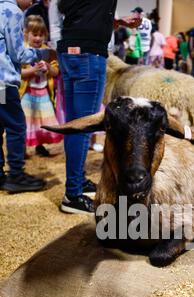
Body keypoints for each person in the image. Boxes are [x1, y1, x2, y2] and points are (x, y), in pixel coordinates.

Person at [56, 0, 141, 214]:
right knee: (82, 127)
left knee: (75, 124)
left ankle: (77, 180)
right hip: (88, 54)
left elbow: (76, 8)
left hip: (70, 49)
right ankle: (73, 195)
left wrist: (115, 20)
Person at [0, 0, 56, 194]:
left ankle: (0, 173)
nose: (33, 1)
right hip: (3, 82)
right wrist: (45, 53)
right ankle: (16, 175)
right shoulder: (12, 11)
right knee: (16, 126)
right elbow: (19, 54)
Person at [20, 15, 63, 157]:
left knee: (42, 121)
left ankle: (40, 145)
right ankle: (22, 149)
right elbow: (18, 72)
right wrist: (32, 71)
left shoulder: (49, 52)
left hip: (44, 93)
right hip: (27, 93)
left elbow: (56, 71)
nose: (38, 38)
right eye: (34, 34)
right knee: (26, 122)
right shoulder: (22, 51)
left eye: (41, 35)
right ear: (26, 34)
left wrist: (48, 68)